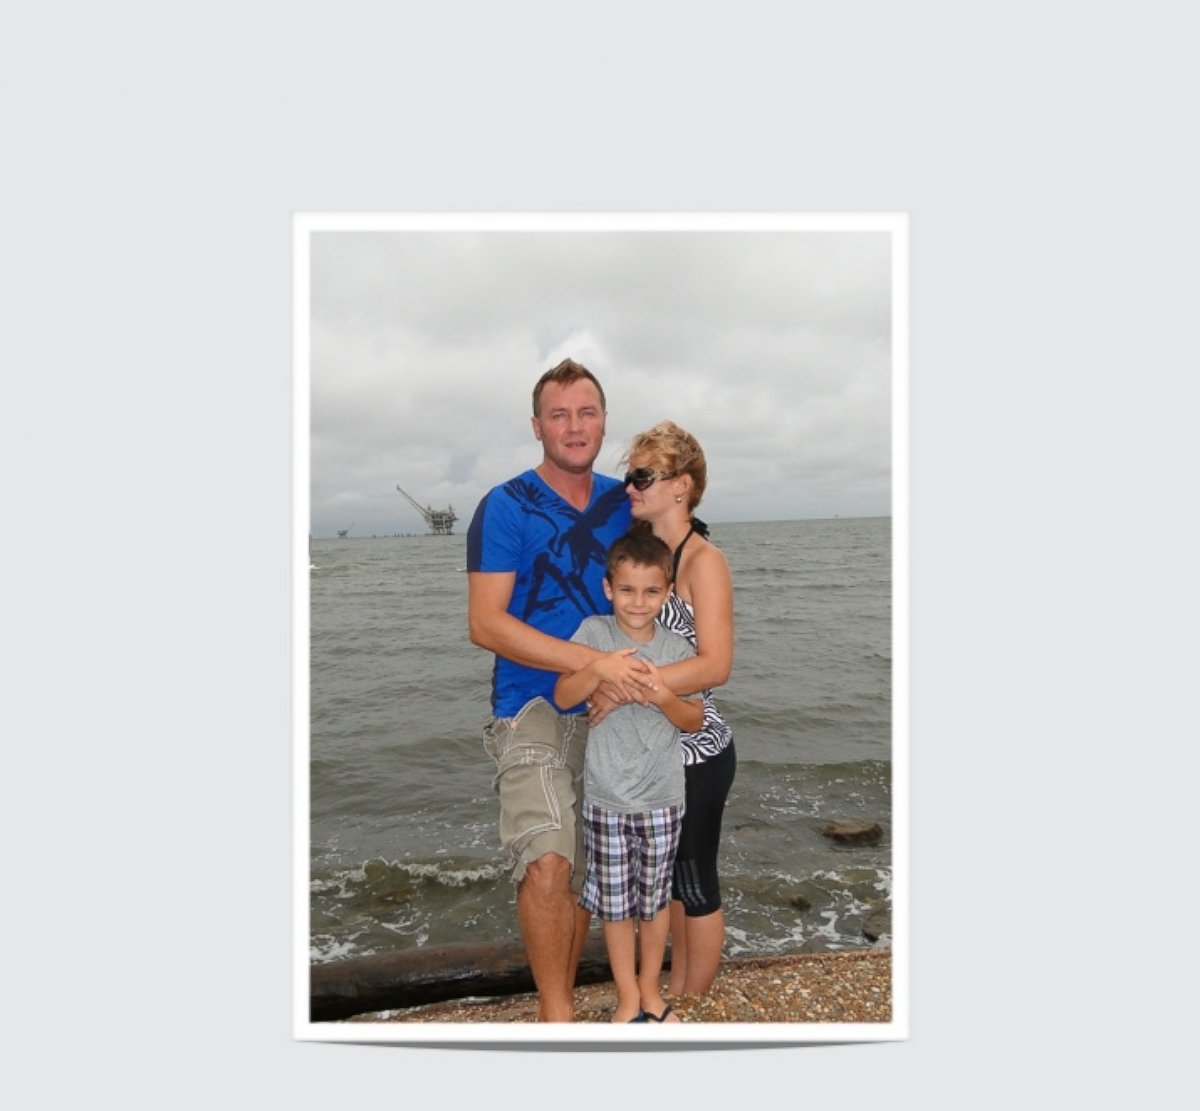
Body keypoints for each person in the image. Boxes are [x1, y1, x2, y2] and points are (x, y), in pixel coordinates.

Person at [466, 358, 645, 1023]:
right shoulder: (505, 505)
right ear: (537, 424)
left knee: (582, 872)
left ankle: (561, 1004)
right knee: (546, 857)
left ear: (604, 420)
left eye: (588, 411)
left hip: (612, 708)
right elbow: (486, 622)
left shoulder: (626, 504)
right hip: (532, 709)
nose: (575, 426)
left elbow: (665, 581)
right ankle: (557, 1018)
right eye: (560, 414)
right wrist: (589, 660)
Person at [593, 420, 736, 997]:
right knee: (666, 881)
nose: (630, 487)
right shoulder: (653, 559)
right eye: (630, 477)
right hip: (653, 755)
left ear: (682, 485)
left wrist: (628, 684)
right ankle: (672, 988)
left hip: (697, 749)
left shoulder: (704, 561)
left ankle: (696, 996)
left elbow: (716, 664)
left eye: (641, 476)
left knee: (694, 877)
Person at [553, 529, 703, 1024]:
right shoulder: (594, 634)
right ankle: (627, 997)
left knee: (655, 904)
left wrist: (659, 694)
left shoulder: (679, 645)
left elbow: (693, 719)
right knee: (615, 908)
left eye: (651, 591)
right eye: (627, 590)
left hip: (663, 796)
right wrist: (603, 673)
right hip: (606, 798)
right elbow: (564, 696)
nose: (638, 602)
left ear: (667, 592)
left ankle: (651, 991)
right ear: (607, 588)